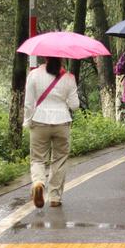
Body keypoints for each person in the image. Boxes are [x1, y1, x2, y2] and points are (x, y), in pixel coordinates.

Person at [24, 57, 79, 208]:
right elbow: (75, 105)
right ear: (61, 58)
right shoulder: (69, 77)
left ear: (45, 57)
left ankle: (39, 183)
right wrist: (64, 100)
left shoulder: (34, 75)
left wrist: (27, 121)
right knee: (59, 159)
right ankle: (54, 197)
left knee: (38, 159)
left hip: (39, 120)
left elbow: (28, 104)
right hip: (62, 122)